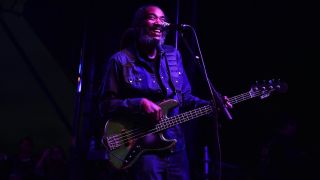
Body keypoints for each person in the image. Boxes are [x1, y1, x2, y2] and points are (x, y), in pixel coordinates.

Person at [98, 4, 231, 180]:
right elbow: (105, 106)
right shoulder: (120, 61)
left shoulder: (173, 56)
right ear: (139, 25)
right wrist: (139, 103)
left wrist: (212, 105)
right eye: (152, 17)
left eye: (162, 19)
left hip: (177, 147)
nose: (159, 23)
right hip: (143, 150)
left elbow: (185, 98)